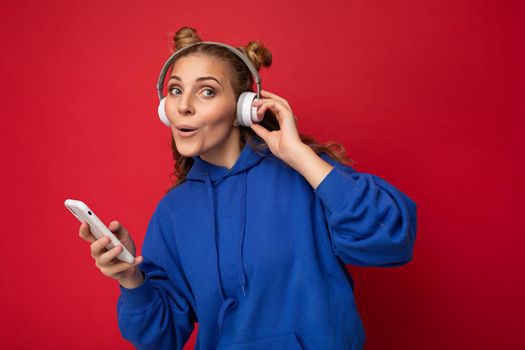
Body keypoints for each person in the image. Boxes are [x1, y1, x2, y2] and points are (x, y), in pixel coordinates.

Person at [78, 26, 418, 350]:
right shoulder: (173, 212)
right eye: (176, 90)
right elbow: (160, 338)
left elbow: (389, 239)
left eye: (207, 91)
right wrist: (130, 278)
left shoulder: (305, 175)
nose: (184, 106)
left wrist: (298, 154)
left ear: (244, 107)